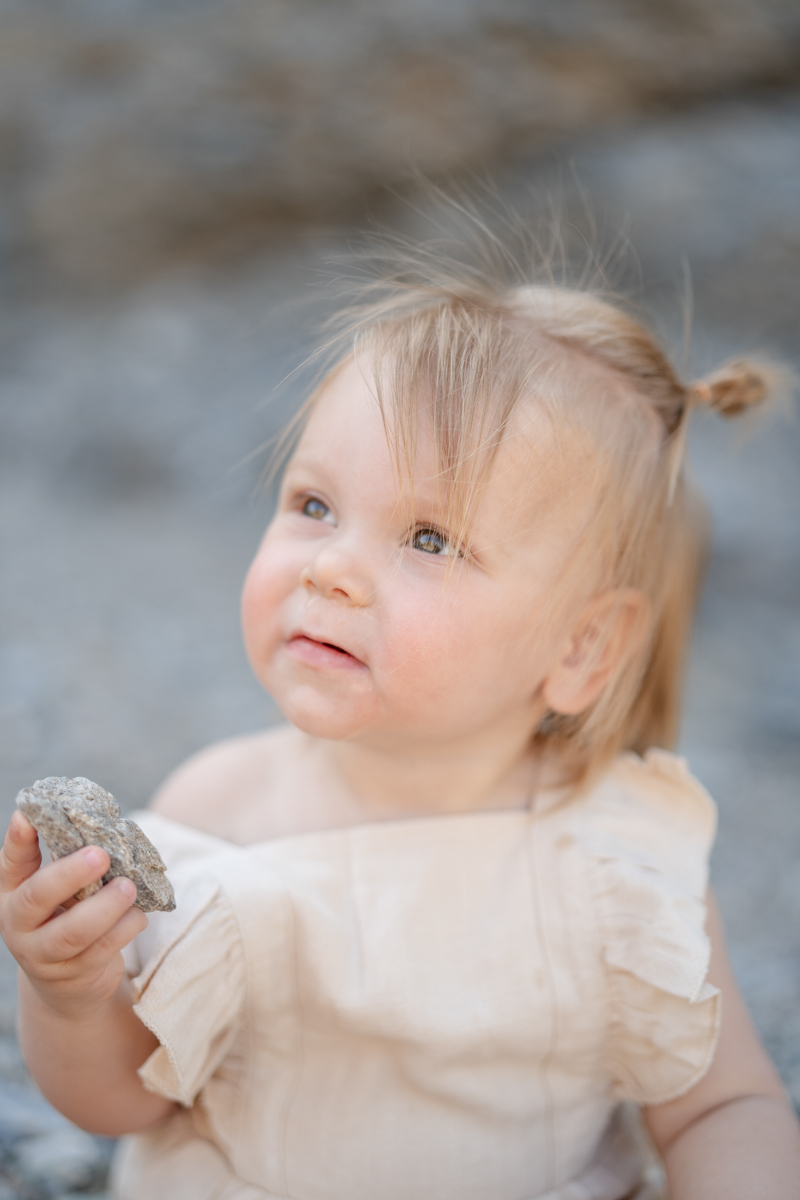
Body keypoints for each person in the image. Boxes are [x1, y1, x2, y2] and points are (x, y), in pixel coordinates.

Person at [1, 220, 799, 1200]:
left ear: (577, 649)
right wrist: (74, 998)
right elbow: (130, 1104)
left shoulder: (613, 859)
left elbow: (723, 1107)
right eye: (312, 505)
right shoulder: (220, 808)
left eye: (427, 539)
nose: (330, 567)